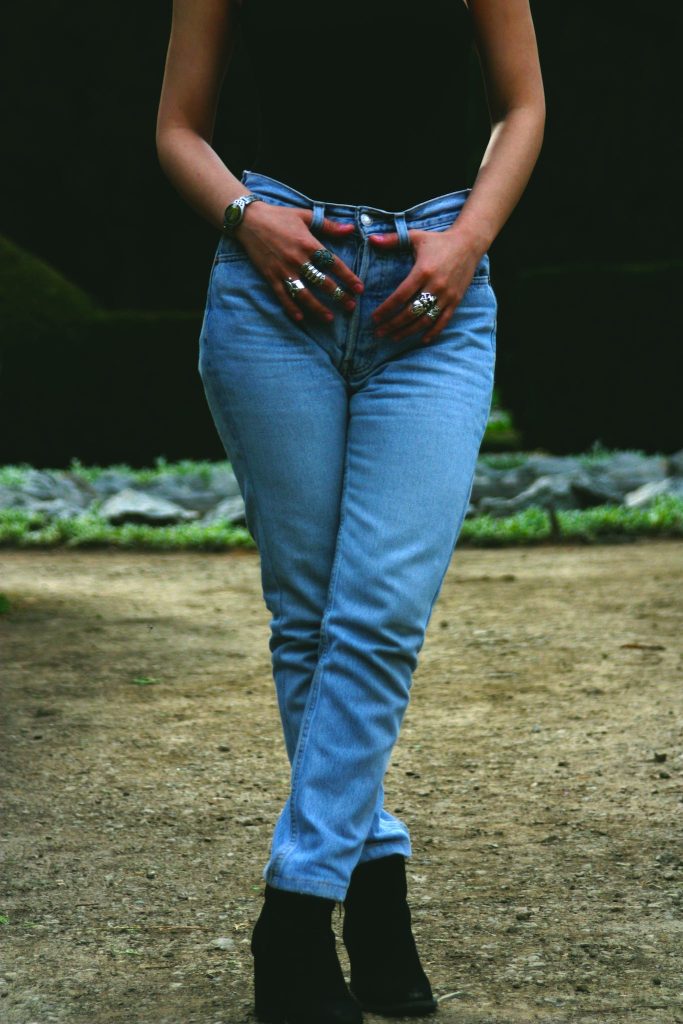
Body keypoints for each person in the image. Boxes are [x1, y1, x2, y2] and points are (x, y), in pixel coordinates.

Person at [156, 1, 545, 1020]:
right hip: (273, 288)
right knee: (310, 619)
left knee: (374, 616)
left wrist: (465, 242)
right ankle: (373, 895)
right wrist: (248, 217)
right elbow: (176, 127)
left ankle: (293, 911)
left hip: (434, 294)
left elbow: (523, 103)